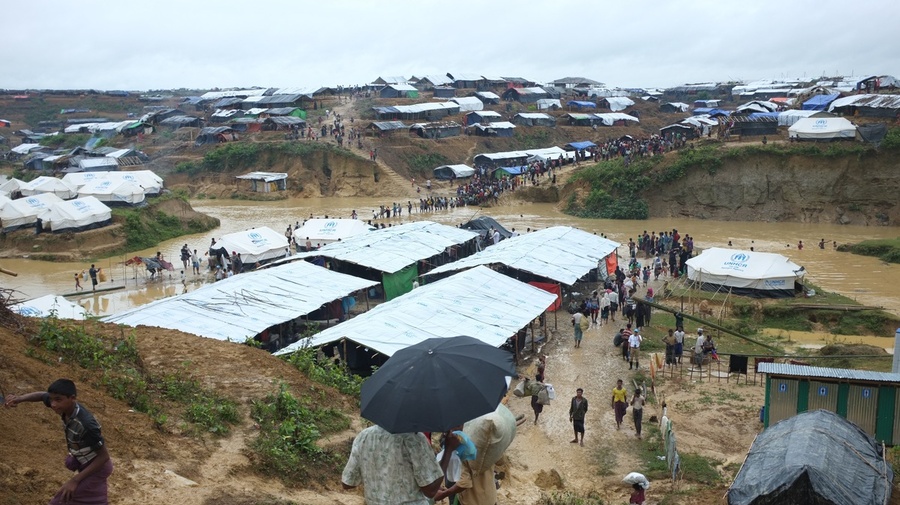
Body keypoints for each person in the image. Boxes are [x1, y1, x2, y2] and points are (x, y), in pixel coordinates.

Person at [4, 379, 114, 504]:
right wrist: (19, 399)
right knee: (94, 499)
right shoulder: (65, 408)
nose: (53, 404)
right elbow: (41, 395)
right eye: (51, 399)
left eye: (58, 400)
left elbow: (104, 457)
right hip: (85, 462)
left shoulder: (86, 424)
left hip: (97, 467)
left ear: (72, 398)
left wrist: (74, 481)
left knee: (61, 500)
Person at [342, 424, 445, 505]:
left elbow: (347, 483)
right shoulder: (414, 438)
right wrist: (448, 450)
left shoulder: (364, 436)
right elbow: (431, 491)